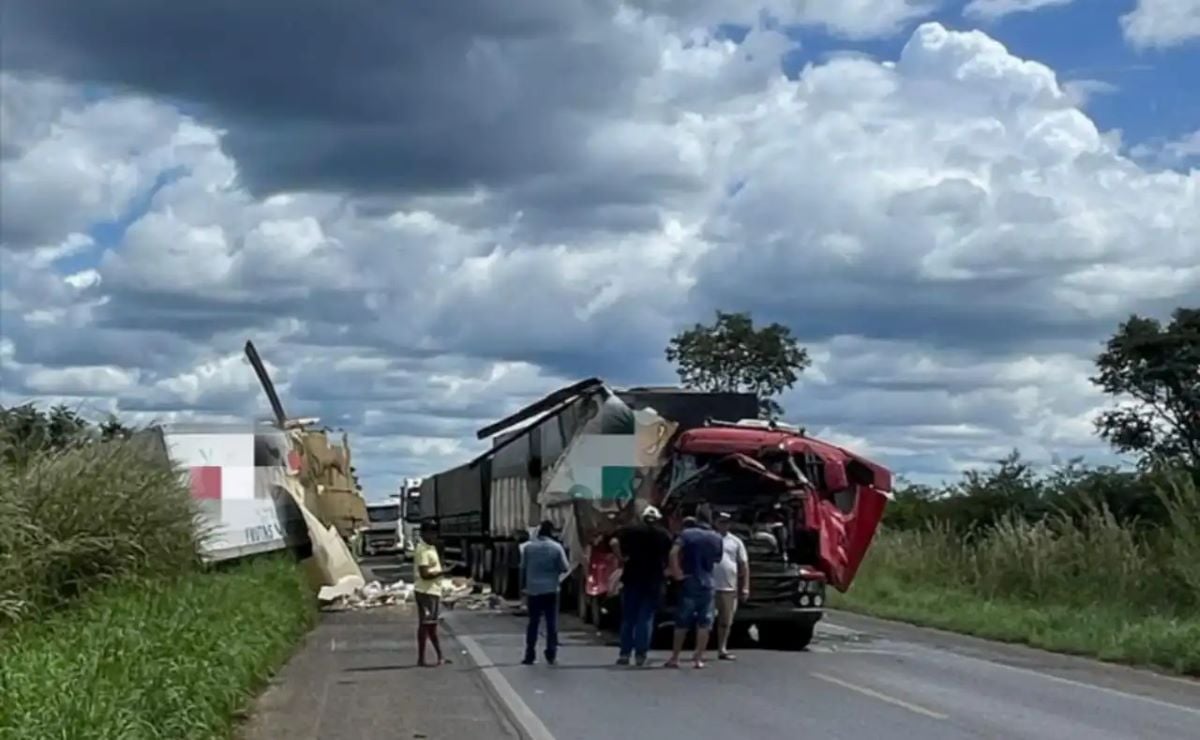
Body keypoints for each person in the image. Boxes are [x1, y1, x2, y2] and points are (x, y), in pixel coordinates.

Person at [611, 504, 673, 667]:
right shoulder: (663, 535)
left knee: (629, 618)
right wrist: (668, 568)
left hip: (632, 579)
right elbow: (672, 553)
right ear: (657, 519)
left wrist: (621, 558)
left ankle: (624, 654)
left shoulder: (631, 531)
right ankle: (641, 655)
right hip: (654, 581)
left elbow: (613, 542)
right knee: (645, 618)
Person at [665, 512, 724, 669]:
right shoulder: (717, 537)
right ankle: (698, 658)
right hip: (708, 581)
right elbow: (717, 559)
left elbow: (673, 552)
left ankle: (675, 657)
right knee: (705, 621)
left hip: (690, 578)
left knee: (682, 621)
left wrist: (676, 571)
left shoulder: (687, 534)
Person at [520, 520, 570, 665]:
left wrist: (522, 589)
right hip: (551, 590)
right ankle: (551, 653)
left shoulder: (529, 548)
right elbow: (565, 567)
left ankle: (530, 654)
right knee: (551, 623)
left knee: (533, 623)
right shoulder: (556, 548)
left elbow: (522, 568)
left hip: (533, 590)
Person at [713, 511, 750, 661]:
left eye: (726, 522)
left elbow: (744, 565)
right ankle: (700, 648)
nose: (724, 525)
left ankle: (722, 648)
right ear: (716, 523)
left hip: (728, 587)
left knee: (725, 621)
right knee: (705, 620)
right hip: (710, 585)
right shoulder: (710, 538)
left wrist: (745, 587)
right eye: (721, 522)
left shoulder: (736, 542)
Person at [413, 526, 448, 667]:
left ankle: (436, 656)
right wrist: (442, 572)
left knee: (429, 625)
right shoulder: (422, 550)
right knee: (427, 625)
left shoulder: (430, 548)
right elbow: (424, 574)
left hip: (432, 591)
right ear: (424, 533)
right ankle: (430, 657)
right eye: (431, 533)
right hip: (426, 592)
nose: (434, 536)